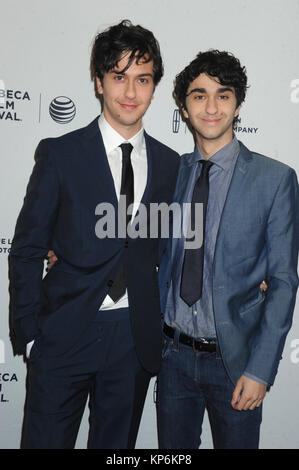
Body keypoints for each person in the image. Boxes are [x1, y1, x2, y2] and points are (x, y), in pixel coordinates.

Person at [8, 20, 179, 449]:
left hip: (132, 337)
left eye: (143, 79)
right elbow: (27, 248)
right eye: (118, 77)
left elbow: (172, 246)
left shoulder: (170, 163)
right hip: (63, 333)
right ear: (99, 82)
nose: (130, 92)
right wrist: (29, 335)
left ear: (154, 86)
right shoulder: (60, 154)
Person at [157, 50, 299, 449]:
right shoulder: (171, 173)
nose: (212, 106)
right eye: (199, 95)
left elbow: (285, 281)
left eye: (223, 94)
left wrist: (260, 369)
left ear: (238, 105)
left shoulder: (275, 179)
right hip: (173, 358)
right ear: (184, 109)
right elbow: (140, 242)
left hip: (235, 363)